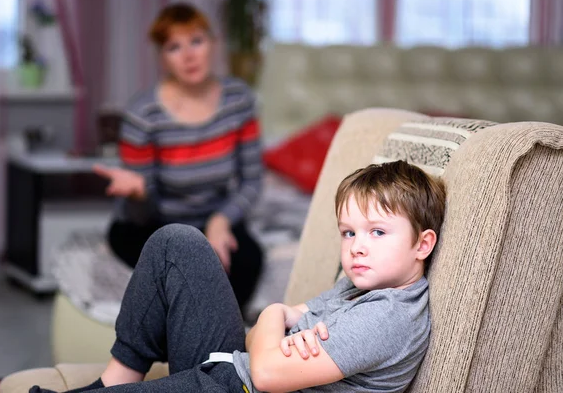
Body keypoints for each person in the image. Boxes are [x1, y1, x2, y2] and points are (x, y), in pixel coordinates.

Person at [30, 160, 447, 393]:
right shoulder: (357, 287)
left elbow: (265, 371)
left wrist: (274, 315)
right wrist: (275, 323)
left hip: (241, 386)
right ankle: (113, 380)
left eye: (377, 232)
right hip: (233, 371)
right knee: (177, 242)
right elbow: (255, 347)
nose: (357, 246)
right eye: (349, 232)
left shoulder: (387, 317)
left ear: (423, 245)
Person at [92, 3, 264, 315]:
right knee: (165, 259)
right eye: (174, 47)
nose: (188, 55)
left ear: (213, 44)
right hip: (153, 221)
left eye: (196, 41)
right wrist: (138, 193)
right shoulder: (143, 113)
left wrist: (220, 221)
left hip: (211, 216)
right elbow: (140, 215)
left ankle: (221, 351)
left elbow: (252, 180)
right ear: (162, 57)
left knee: (249, 260)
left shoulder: (238, 99)